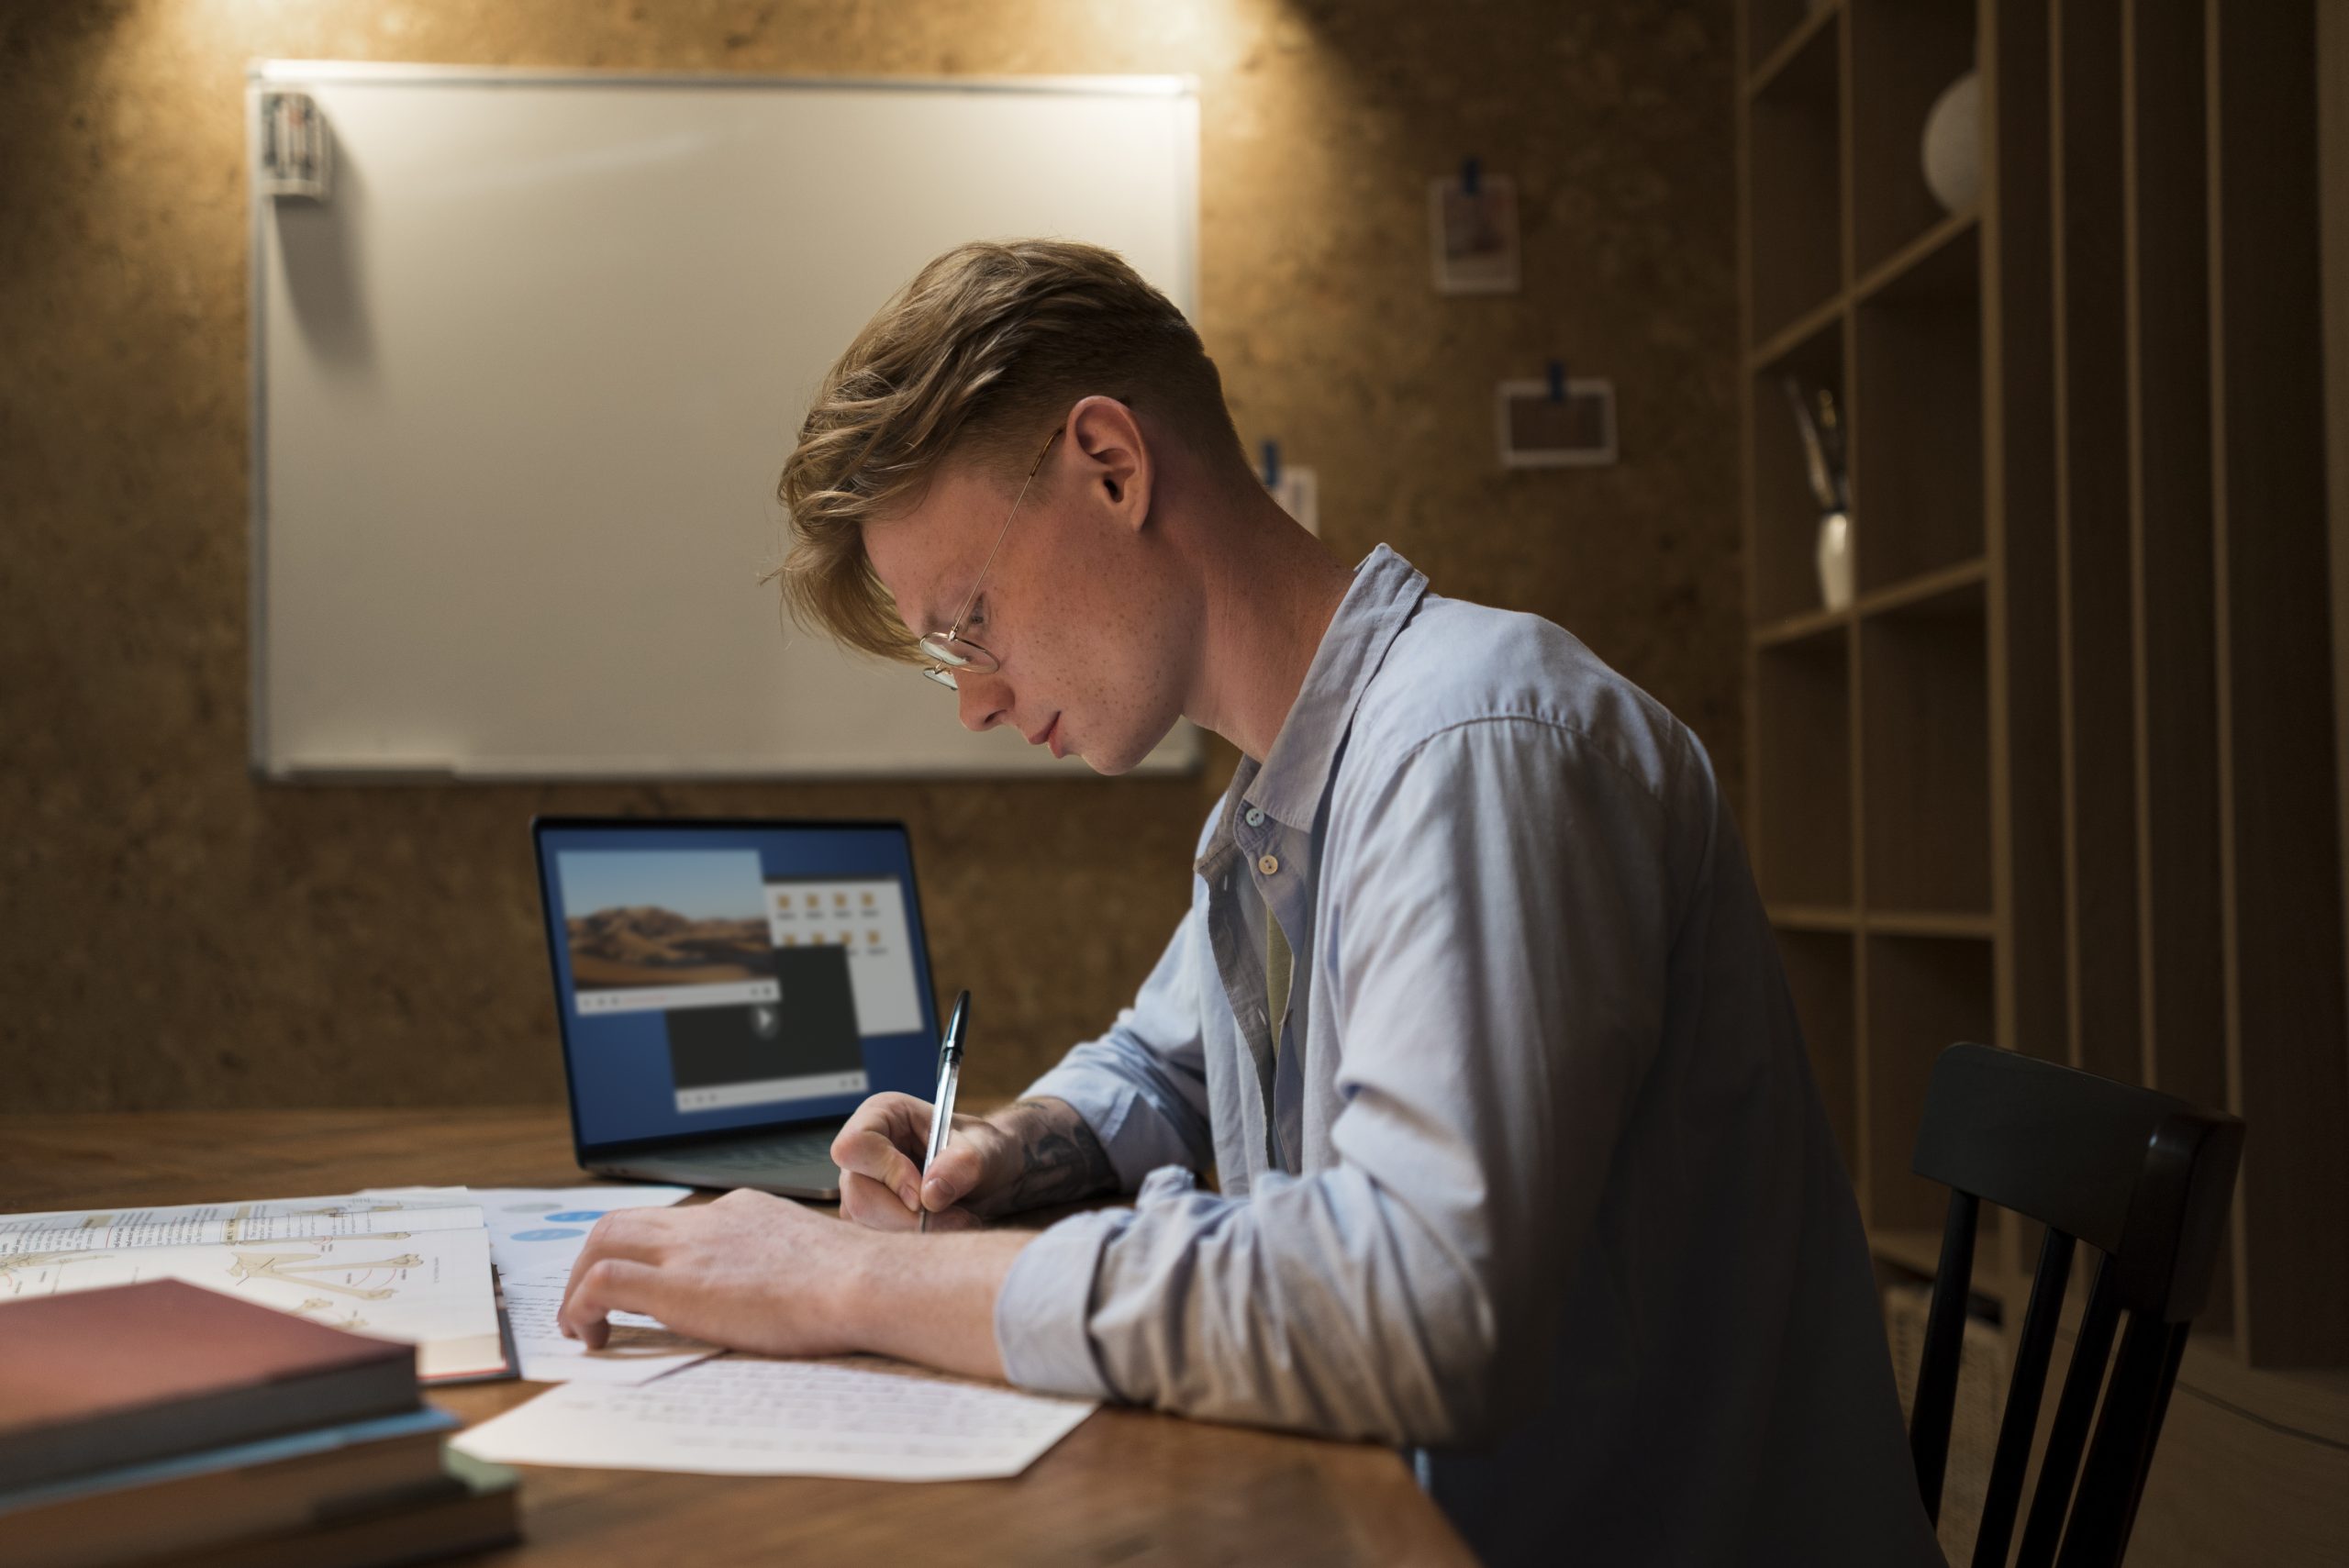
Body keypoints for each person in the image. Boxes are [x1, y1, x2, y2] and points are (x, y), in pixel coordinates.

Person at [558, 239, 1940, 1564]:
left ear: (1110, 466)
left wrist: (846, 1281)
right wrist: (1006, 1145)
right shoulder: (1274, 803)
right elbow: (1158, 1064)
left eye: (968, 622)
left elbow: (1417, 1301)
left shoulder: (1476, 747)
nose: (976, 699)